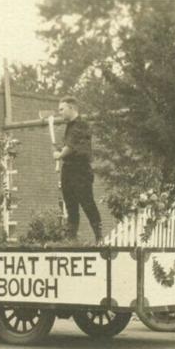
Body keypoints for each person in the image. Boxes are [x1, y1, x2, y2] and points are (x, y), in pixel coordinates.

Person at [53, 96, 103, 243]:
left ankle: (99, 237)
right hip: (68, 170)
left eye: (62, 109)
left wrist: (59, 154)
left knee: (87, 202)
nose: (60, 112)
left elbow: (70, 147)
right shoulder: (69, 126)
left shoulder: (81, 125)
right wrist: (59, 152)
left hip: (80, 170)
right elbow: (67, 147)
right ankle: (72, 238)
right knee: (70, 204)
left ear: (71, 108)